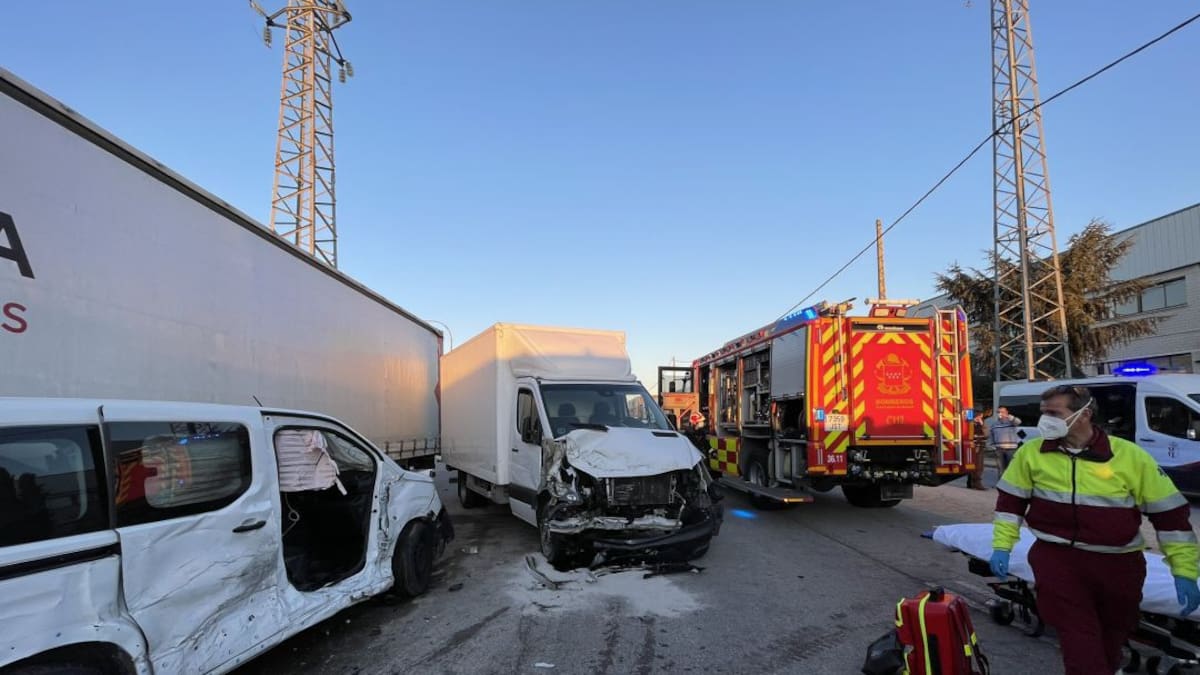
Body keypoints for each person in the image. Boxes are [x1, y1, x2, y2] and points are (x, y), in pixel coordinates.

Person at [989, 384, 1200, 675]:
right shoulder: (1032, 455)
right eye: (1043, 413)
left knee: (1111, 639)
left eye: (1053, 413)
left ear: (1084, 415)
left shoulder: (1129, 457)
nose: (1044, 420)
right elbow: (1009, 506)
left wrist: (1185, 570)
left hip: (1119, 564)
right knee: (1080, 642)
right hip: (1058, 560)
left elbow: (1171, 519)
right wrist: (1001, 546)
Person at [988, 406, 1022, 472]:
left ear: (1006, 412)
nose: (1000, 413)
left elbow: (1019, 422)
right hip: (999, 450)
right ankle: (1001, 482)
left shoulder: (1011, 422)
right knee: (1001, 469)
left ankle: (1010, 482)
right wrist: (992, 447)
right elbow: (991, 436)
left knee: (1011, 469)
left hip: (1011, 449)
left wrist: (1009, 417)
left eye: (1002, 412)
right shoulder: (994, 425)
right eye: (998, 412)